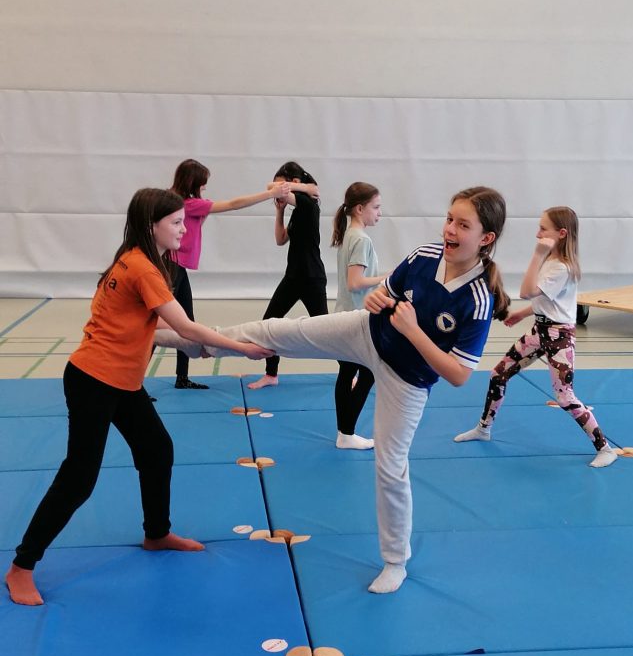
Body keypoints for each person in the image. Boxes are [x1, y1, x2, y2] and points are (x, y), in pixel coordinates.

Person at [155, 186, 509, 594]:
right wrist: (379, 299)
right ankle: (192, 341)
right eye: (449, 219)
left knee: (391, 466)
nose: (449, 229)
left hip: (408, 380)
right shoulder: (425, 255)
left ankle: (395, 562)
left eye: (462, 225)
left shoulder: (478, 298)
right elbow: (388, 292)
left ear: (485, 238)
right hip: (366, 334)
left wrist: (413, 332)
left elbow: (459, 375)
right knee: (277, 331)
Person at [4, 189, 266, 607]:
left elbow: (151, 327)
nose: (184, 230)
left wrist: (194, 343)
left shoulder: (134, 258)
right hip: (94, 380)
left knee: (156, 449)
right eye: (176, 223)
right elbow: (185, 325)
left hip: (121, 381)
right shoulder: (143, 269)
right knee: (79, 478)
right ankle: (21, 567)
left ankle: (156, 533)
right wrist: (242, 348)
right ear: (151, 226)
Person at [453, 206, 618, 468]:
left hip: (559, 337)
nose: (538, 233)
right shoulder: (553, 261)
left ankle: (605, 448)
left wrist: (537, 254)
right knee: (498, 374)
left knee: (565, 396)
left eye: (543, 229)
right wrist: (522, 314)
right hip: (540, 331)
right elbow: (547, 300)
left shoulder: (561, 267)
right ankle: (484, 428)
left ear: (561, 233)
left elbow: (526, 291)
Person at [170, 158, 291, 389]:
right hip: (172, 267)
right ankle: (137, 382)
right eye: (202, 182)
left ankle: (181, 377)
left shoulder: (178, 201)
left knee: (185, 322)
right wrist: (270, 194)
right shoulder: (189, 203)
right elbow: (234, 204)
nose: (205, 186)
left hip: (177, 267)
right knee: (161, 325)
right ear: (192, 182)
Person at [247, 162, 326, 391]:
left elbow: (270, 187)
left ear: (295, 183)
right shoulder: (297, 210)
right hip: (293, 278)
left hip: (312, 278)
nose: (278, 190)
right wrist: (280, 211)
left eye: (283, 184)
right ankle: (271, 374)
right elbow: (280, 239)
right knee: (269, 323)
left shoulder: (308, 204)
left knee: (327, 332)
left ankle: (351, 373)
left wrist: (306, 188)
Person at [331, 182, 384, 450]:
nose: (379, 213)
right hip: (357, 319)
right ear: (360, 209)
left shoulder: (349, 235)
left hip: (345, 315)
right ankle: (347, 432)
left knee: (347, 374)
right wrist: (386, 278)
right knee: (368, 374)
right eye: (376, 207)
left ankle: (345, 433)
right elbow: (355, 283)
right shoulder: (361, 239)